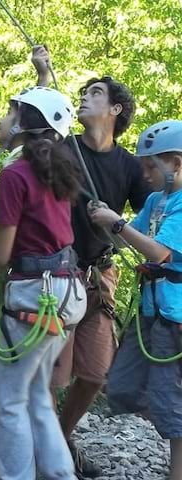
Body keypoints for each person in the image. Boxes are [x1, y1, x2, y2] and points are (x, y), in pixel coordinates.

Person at [33, 46, 152, 478]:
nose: (84, 96)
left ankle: (60, 439)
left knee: (98, 373)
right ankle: (52, 452)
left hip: (99, 275)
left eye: (95, 93)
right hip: (55, 272)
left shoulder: (132, 167)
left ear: (115, 109)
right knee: (51, 374)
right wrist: (45, 76)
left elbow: (154, 213)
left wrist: (120, 223)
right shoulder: (62, 148)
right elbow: (34, 126)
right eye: (83, 91)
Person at [0, 86, 87, 480]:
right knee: (37, 396)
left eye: (9, 112)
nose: (2, 120)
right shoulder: (57, 173)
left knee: (8, 399)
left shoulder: (15, 175)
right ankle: (61, 475)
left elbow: (0, 254)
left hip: (35, 295)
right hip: (67, 291)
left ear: (25, 124)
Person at [89, 119, 182, 480]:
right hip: (151, 309)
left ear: (175, 163)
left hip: (174, 314)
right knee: (123, 387)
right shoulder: (157, 202)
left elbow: (159, 253)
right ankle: (166, 415)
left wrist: (116, 223)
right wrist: (105, 222)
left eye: (150, 166)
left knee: (168, 398)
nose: (144, 174)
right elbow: (127, 240)